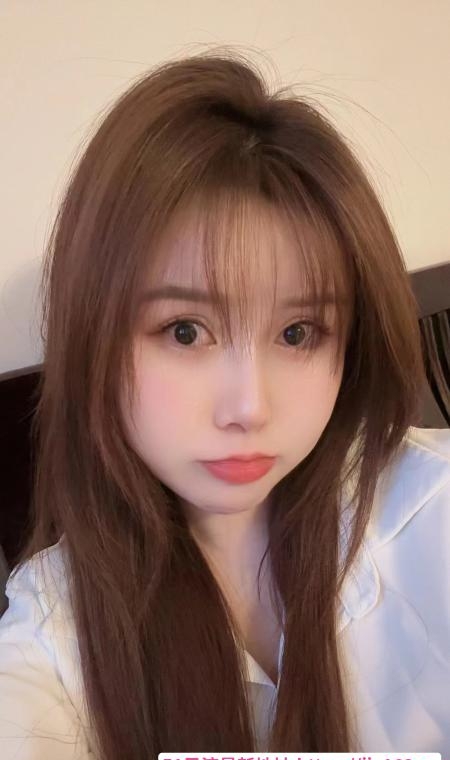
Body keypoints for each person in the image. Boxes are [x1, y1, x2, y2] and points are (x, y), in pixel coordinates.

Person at [0, 48, 449, 759]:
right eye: (186, 331)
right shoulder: (57, 630)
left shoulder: (427, 509)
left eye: (298, 333)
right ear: (94, 337)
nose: (250, 407)